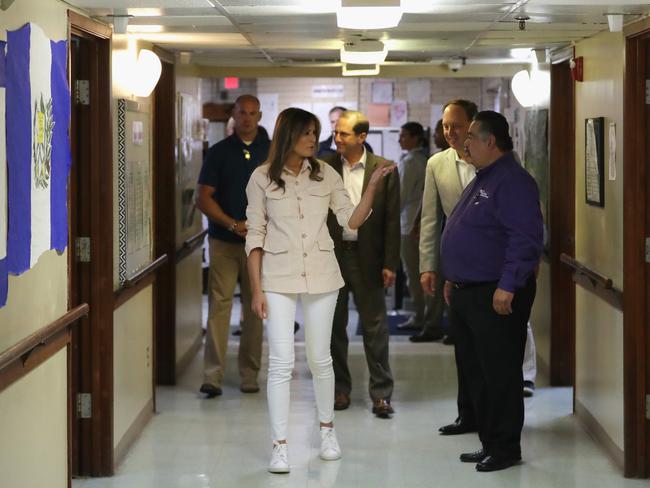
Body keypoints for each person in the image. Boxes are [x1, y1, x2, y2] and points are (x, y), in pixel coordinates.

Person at [245, 107, 395, 473]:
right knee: (281, 363)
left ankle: (327, 431)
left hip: (323, 274)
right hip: (278, 277)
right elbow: (255, 235)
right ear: (288, 135)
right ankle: (280, 445)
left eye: (315, 132)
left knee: (320, 358)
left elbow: (350, 222)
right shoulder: (262, 178)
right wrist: (255, 290)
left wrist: (372, 188)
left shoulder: (325, 173)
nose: (315, 138)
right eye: (307, 132)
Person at [442, 110, 543, 472]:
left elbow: (526, 239)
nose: (464, 143)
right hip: (470, 291)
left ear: (490, 142)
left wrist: (508, 285)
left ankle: (504, 448)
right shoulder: (484, 177)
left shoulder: (513, 181)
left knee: (499, 373)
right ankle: (489, 441)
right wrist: (453, 277)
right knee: (478, 372)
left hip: (495, 294)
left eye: (471, 136)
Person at [324, 110, 400, 418]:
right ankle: (340, 390)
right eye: (336, 132)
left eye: (343, 133)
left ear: (362, 137)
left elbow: (392, 220)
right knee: (333, 327)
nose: (337, 138)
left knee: (375, 327)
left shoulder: (384, 169)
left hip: (368, 257)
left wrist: (390, 263)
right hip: (332, 255)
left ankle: (381, 394)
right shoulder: (325, 166)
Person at [196, 94, 269, 398]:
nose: (247, 119)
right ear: (233, 116)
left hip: (260, 245)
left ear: (260, 116)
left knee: (255, 309)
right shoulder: (218, 153)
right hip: (225, 241)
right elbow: (203, 198)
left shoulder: (272, 152)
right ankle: (213, 376)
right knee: (220, 305)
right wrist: (232, 223)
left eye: (253, 113)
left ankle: (249, 374)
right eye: (242, 113)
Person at [418, 100, 480, 436]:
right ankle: (466, 415)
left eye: (456, 125)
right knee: (463, 346)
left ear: (473, 124)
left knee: (488, 351)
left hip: (489, 268)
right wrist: (428, 266)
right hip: (456, 268)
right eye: (444, 126)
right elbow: (430, 219)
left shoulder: (493, 160)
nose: (450, 132)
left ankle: (492, 417)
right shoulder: (436, 164)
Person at [396, 122, 442, 339]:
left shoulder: (412, 162)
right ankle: (425, 317)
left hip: (411, 225)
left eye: (404, 136)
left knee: (415, 275)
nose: (400, 139)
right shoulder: (424, 160)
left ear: (415, 138)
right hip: (418, 223)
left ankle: (423, 318)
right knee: (422, 274)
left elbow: (400, 196)